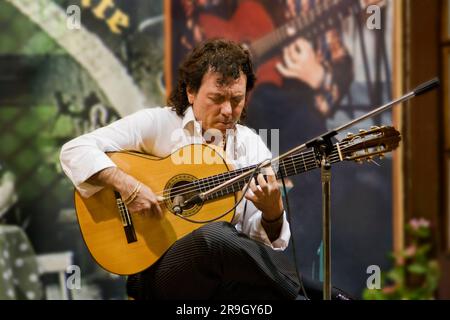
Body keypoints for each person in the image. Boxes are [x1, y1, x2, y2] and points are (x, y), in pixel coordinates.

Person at [60, 39, 350, 300]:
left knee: (237, 260)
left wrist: (273, 212)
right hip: (156, 274)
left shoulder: (249, 146)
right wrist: (128, 186)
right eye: (217, 98)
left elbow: (261, 247)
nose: (228, 110)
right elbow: (75, 150)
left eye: (236, 100)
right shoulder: (158, 124)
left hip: (220, 283)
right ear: (190, 91)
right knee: (215, 235)